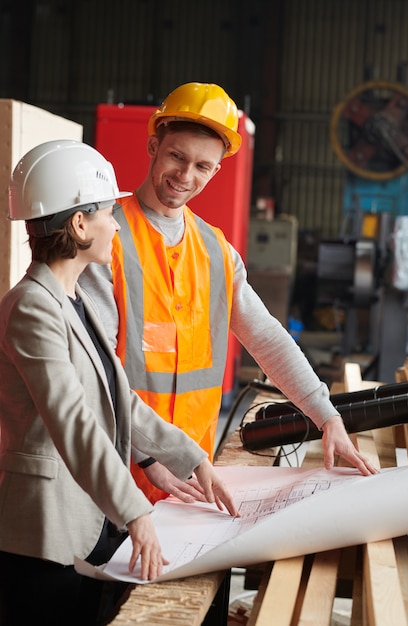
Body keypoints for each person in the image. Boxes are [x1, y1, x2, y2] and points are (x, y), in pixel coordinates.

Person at [79, 82, 378, 504]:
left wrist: (327, 418)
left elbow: (269, 339)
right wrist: (147, 456)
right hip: (115, 465)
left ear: (217, 170)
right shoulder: (104, 236)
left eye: (202, 166)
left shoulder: (216, 252)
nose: (185, 176)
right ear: (153, 145)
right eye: (176, 156)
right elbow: (93, 367)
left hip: (192, 475)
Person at [0, 139, 238, 626]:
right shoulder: (31, 307)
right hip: (42, 536)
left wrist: (192, 459)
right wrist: (136, 512)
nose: (116, 224)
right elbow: (73, 421)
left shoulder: (74, 301)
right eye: (108, 212)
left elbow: (117, 398)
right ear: (79, 223)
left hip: (83, 519)